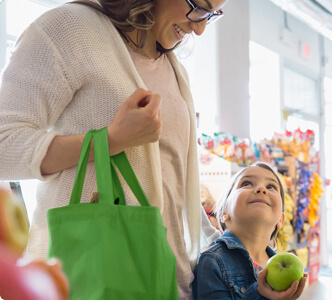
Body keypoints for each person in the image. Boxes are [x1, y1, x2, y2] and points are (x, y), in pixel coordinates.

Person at [0, 0, 228, 298]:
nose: (199, 28)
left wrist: (236, 259)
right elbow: (4, 145)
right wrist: (109, 140)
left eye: (211, 15)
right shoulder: (69, 29)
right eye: (198, 6)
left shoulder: (176, 70)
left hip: (170, 284)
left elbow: (172, 186)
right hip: (88, 281)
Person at [193, 162, 308, 299]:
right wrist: (258, 294)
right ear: (224, 212)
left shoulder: (282, 265)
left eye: (270, 186)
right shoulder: (212, 262)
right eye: (246, 184)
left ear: (280, 220)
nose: (261, 189)